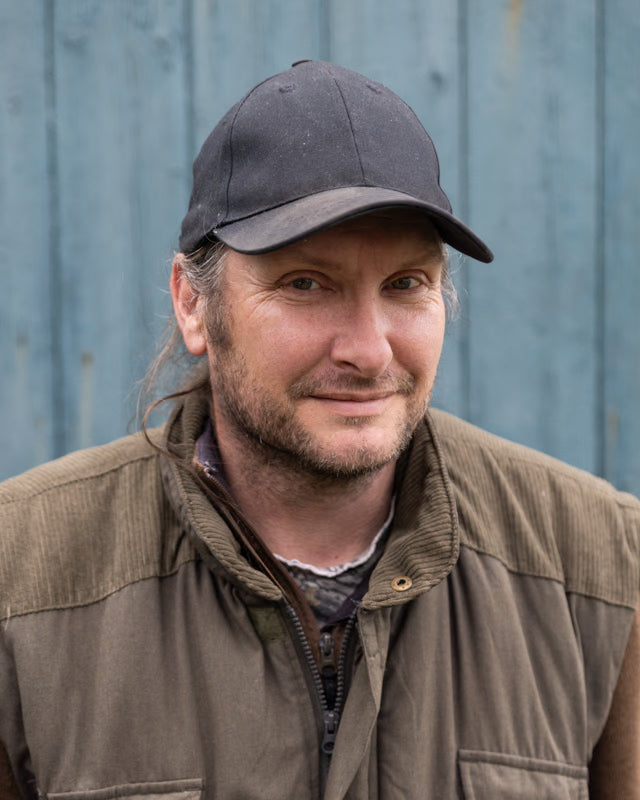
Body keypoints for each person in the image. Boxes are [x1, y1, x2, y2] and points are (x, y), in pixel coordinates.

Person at [0, 60, 638, 800]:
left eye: (406, 284)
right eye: (305, 284)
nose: (369, 351)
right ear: (193, 304)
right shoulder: (21, 577)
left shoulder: (600, 567)